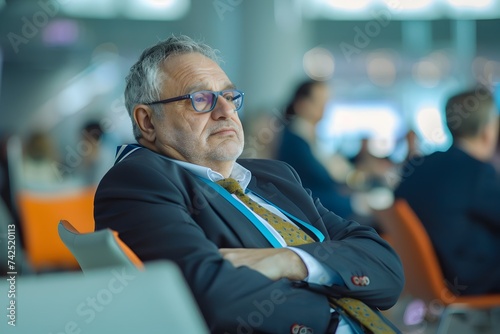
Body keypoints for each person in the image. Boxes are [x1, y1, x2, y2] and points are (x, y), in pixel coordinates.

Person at [94, 35, 404, 333]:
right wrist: (333, 311)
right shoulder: (138, 182)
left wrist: (291, 261)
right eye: (200, 99)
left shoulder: (276, 176)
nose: (226, 111)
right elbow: (211, 293)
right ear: (148, 121)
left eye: (229, 96)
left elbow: (387, 268)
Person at [394, 86, 500, 295]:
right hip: (473, 278)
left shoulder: (419, 165)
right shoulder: (477, 172)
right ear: (487, 131)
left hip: (432, 277)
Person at [276, 80, 355, 219]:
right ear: (302, 104)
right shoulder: (295, 141)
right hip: (311, 212)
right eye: (319, 101)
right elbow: (318, 182)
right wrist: (354, 202)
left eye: (326, 101)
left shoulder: (310, 137)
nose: (324, 107)